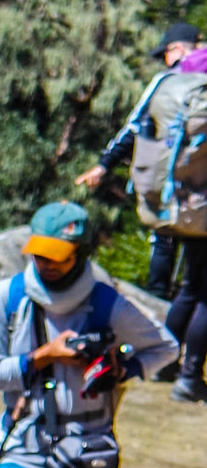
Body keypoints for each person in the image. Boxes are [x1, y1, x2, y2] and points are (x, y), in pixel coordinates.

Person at [0, 200, 177, 468]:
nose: (46, 263)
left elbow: (166, 347)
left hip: (83, 455)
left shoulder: (107, 302)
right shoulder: (6, 298)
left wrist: (122, 369)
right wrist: (44, 356)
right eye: (40, 253)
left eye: (57, 255)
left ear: (80, 254)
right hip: (21, 449)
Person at [78, 21, 201, 309]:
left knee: (163, 244)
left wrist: (104, 164)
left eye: (166, 53)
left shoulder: (166, 81)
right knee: (196, 273)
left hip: (166, 183)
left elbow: (134, 127)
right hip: (201, 189)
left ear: (177, 49)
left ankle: (159, 314)